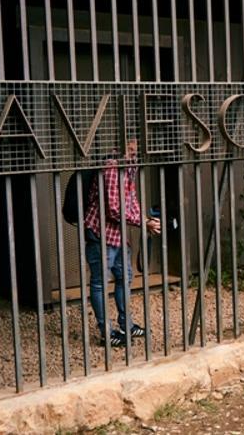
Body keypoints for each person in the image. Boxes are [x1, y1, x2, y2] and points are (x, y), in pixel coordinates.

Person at [82, 138, 162, 347]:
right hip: (100, 233)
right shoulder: (111, 168)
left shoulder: (130, 166)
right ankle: (106, 333)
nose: (135, 150)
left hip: (118, 234)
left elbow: (131, 200)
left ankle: (126, 325)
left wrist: (146, 220)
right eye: (132, 146)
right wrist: (143, 222)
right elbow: (114, 209)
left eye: (137, 147)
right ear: (123, 143)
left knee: (124, 277)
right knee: (99, 282)